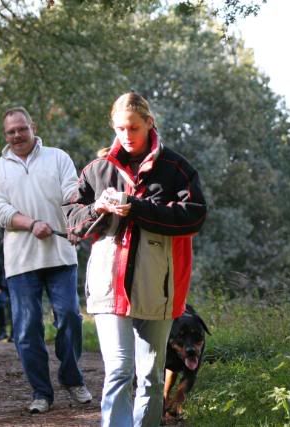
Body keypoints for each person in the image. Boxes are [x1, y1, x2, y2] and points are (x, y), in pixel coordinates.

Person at [63, 92, 207, 427]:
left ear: (149, 123)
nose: (127, 136)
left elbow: (195, 217)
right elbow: (70, 219)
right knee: (118, 370)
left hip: (158, 287)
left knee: (152, 377)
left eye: (134, 128)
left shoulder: (177, 168)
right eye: (120, 128)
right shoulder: (97, 170)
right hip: (109, 286)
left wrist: (139, 208)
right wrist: (97, 207)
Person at [0, 106, 91, 414]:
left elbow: (73, 193)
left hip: (61, 253)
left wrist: (78, 223)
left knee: (70, 316)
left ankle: (71, 379)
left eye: (21, 128)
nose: (17, 135)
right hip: (21, 262)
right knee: (27, 328)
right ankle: (41, 392)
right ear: (5, 135)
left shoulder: (58, 157)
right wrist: (30, 223)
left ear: (32, 127)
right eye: (10, 131)